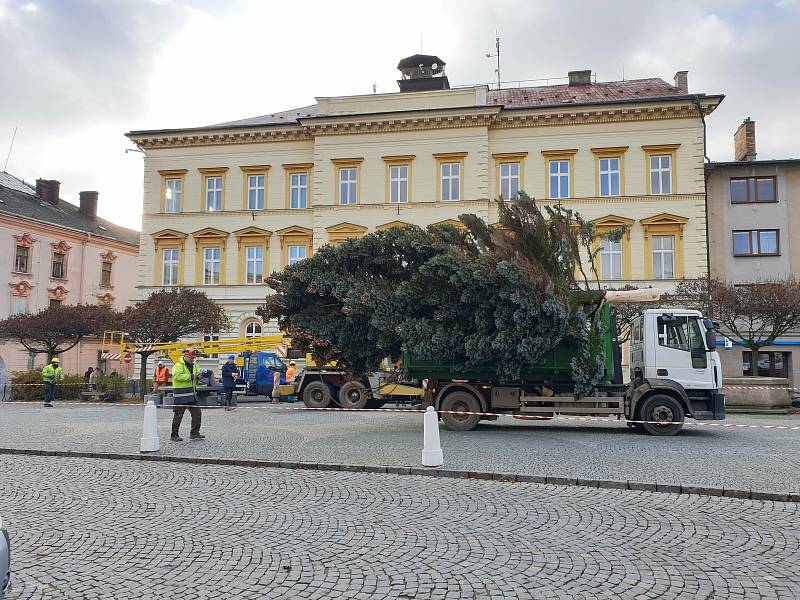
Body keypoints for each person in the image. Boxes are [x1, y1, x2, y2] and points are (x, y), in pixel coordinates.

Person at [170, 347, 204, 442]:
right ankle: (174, 435)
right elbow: (177, 377)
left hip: (192, 395)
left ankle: (194, 433)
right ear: (185, 356)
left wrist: (200, 376)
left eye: (193, 358)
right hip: (181, 395)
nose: (192, 359)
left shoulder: (194, 365)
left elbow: (197, 374)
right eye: (191, 358)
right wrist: (193, 376)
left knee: (197, 414)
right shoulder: (178, 366)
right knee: (178, 415)